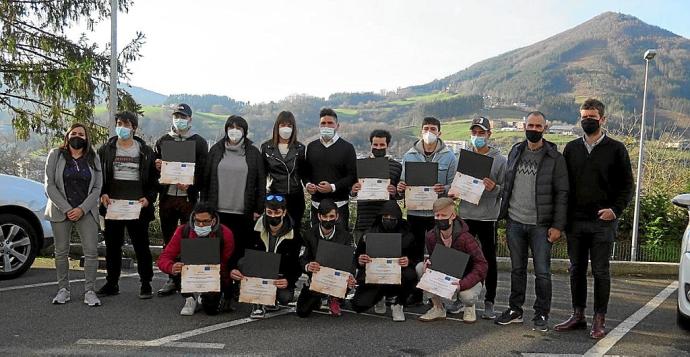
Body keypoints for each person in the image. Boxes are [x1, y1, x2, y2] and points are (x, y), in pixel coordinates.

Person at [555, 99, 633, 339]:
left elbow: (627, 185)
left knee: (600, 272)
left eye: (592, 116)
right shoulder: (571, 149)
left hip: (603, 222)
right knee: (576, 270)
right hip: (575, 222)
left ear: (603, 119)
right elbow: (563, 186)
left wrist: (615, 210)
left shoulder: (617, 148)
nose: (587, 120)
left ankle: (599, 319)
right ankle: (578, 315)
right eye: (584, 116)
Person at [494, 111, 569, 332]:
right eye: (530, 125)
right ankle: (515, 310)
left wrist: (558, 226)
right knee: (517, 270)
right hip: (515, 222)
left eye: (538, 126)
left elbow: (562, 194)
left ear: (545, 128)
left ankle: (542, 313)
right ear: (523, 126)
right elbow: (508, 185)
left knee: (542, 272)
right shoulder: (515, 151)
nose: (534, 129)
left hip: (541, 225)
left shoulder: (555, 158)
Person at [97, 111, 159, 299]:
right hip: (113, 205)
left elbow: (154, 180)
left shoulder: (146, 151)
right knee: (113, 247)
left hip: (138, 206)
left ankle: (146, 283)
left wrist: (149, 198)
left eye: (125, 123)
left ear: (134, 127)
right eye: (118, 123)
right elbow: (98, 176)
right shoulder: (106, 150)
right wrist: (102, 194)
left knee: (141, 247)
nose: (121, 127)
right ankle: (112, 283)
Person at [449, 117, 507, 319]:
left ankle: (489, 301)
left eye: (481, 133)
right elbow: (454, 185)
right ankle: (458, 298)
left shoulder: (500, 160)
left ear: (489, 134)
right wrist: (452, 192)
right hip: (465, 215)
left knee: (489, 259)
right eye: (474, 133)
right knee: (460, 257)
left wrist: (495, 188)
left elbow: (505, 190)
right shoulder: (461, 158)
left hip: (487, 218)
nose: (477, 137)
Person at [397, 116, 457, 305]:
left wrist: (444, 189)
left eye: (433, 129)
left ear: (439, 132)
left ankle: (435, 297)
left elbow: (454, 188)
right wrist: (401, 187)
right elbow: (403, 183)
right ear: (421, 132)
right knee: (414, 254)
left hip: (437, 215)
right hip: (415, 213)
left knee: (438, 255)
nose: (429, 132)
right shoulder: (409, 156)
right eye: (426, 129)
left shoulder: (449, 156)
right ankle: (415, 294)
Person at [44, 123, 103, 307]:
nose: (78, 136)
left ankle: (90, 291)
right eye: (74, 133)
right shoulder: (56, 154)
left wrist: (82, 209)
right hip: (61, 210)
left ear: (87, 138)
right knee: (61, 252)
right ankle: (63, 290)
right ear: (68, 136)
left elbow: (97, 187)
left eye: (82, 134)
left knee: (91, 252)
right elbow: (49, 185)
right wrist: (67, 208)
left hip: (86, 211)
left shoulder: (93, 157)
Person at [154, 103, 209, 296]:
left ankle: (190, 279)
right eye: (177, 116)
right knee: (169, 240)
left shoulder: (200, 142)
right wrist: (158, 166)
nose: (180, 120)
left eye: (183, 116)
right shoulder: (162, 141)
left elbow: (204, 172)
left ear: (190, 119)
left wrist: (191, 184)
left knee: (191, 240)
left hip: (189, 199)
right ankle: (172, 279)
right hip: (167, 197)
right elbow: (153, 172)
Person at [204, 115, 266, 270]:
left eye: (239, 128)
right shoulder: (215, 151)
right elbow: (206, 180)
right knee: (216, 251)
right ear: (226, 130)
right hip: (217, 211)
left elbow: (261, 182)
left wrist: (258, 209)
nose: (234, 131)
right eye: (231, 127)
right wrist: (205, 207)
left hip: (243, 213)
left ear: (245, 131)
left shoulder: (253, 153)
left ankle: (235, 288)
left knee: (239, 251)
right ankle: (216, 289)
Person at [416, 198, 488, 323]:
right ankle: (438, 307)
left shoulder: (466, 238)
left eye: (443, 215)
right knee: (420, 267)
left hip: (466, 277)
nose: (439, 218)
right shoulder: (431, 236)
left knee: (467, 297)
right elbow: (435, 257)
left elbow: (482, 265)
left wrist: (463, 284)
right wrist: (429, 263)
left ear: (453, 215)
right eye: (437, 215)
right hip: (447, 274)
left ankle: (469, 307)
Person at [157, 202, 235, 316]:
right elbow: (164, 258)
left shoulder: (225, 234)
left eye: (205, 221)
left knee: (211, 310)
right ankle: (190, 298)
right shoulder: (183, 231)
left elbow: (227, 262)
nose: (201, 225)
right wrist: (171, 267)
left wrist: (220, 284)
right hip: (189, 273)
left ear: (213, 220)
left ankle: (207, 296)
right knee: (177, 268)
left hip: (213, 275)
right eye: (197, 221)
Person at [231, 194, 301, 319]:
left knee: (286, 297)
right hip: (256, 270)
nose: (273, 216)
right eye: (269, 212)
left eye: (277, 212)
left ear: (284, 212)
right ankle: (257, 302)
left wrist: (288, 280)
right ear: (264, 211)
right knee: (242, 262)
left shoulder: (294, 235)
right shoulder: (252, 228)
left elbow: (296, 263)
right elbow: (238, 250)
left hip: (278, 273)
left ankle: (271, 298)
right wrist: (232, 268)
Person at [351, 200, 416, 321]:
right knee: (358, 306)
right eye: (385, 216)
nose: (388, 219)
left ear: (398, 218)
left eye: (392, 217)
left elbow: (415, 259)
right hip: (375, 275)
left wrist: (408, 261)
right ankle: (379, 298)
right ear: (380, 217)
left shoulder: (408, 235)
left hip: (398, 275)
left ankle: (398, 304)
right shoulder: (369, 233)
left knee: (411, 274)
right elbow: (357, 257)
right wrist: (360, 260)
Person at [296, 199, 356, 318]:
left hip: (337, 279)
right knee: (302, 311)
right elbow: (302, 258)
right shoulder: (309, 234)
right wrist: (308, 266)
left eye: (331, 216)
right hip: (317, 279)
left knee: (349, 279)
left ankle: (335, 298)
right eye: (324, 216)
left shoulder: (346, 236)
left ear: (337, 216)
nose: (328, 219)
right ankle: (317, 296)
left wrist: (351, 275)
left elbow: (351, 261)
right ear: (318, 216)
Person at [261, 111, 306, 258]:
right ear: (277, 127)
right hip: (275, 195)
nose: (286, 128)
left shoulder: (300, 148)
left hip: (295, 197)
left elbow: (304, 172)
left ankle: (290, 269)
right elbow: (262, 175)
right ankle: (272, 264)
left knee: (294, 234)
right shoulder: (266, 148)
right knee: (273, 232)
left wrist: (310, 184)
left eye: (289, 125)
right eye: (283, 125)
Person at [303, 108, 357, 229]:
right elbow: (305, 173)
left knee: (338, 245)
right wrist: (307, 185)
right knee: (316, 243)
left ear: (337, 126)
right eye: (323, 123)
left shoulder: (347, 148)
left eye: (330, 123)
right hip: (316, 206)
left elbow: (352, 176)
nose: (326, 126)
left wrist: (332, 187)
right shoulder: (311, 147)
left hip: (339, 206)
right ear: (319, 126)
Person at [350, 129, 402, 244]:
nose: (378, 148)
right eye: (375, 144)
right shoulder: (360, 165)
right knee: (362, 257)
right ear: (371, 145)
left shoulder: (397, 166)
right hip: (364, 219)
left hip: (387, 221)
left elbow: (400, 194)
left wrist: (395, 192)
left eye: (382, 145)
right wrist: (353, 190)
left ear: (387, 145)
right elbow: (351, 191)